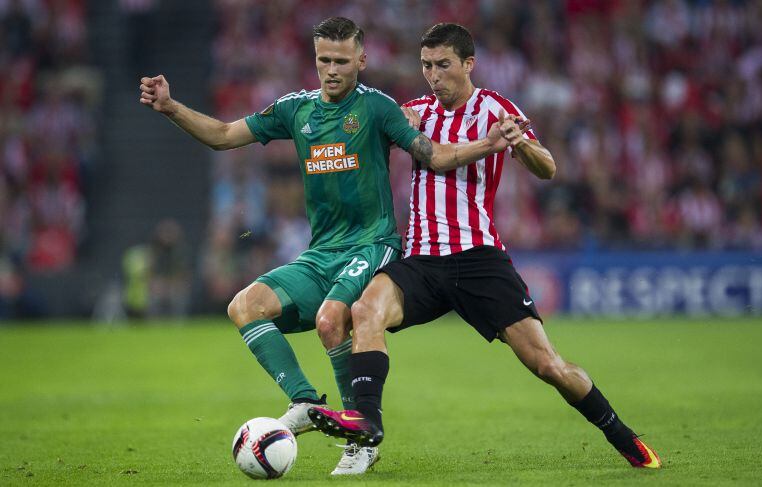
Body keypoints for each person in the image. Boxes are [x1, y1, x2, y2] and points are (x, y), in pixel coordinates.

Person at [139, 17, 519, 475]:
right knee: (244, 307)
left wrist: (489, 143)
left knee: (329, 320)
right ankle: (303, 401)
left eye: (342, 60)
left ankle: (360, 436)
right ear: (314, 59)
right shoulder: (295, 110)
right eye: (324, 59)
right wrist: (170, 107)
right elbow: (222, 136)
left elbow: (435, 155)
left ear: (361, 60)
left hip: (372, 242)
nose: (332, 69)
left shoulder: (379, 108)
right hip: (320, 252)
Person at [309, 23, 662, 470]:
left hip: (478, 259)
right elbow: (367, 134)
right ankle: (367, 427)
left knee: (547, 365)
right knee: (364, 311)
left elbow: (547, 166)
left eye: (443, 65)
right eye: (426, 66)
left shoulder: (495, 108)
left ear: (468, 64)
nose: (433, 76)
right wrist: (392, 126)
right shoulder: (414, 110)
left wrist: (519, 144)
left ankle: (622, 435)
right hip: (421, 259)